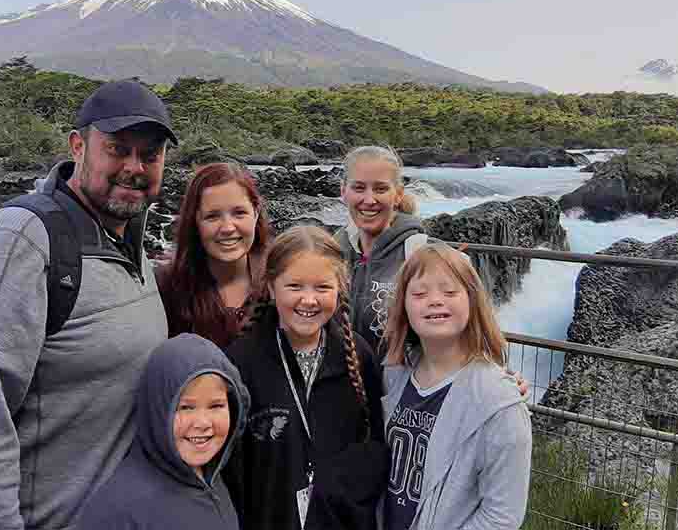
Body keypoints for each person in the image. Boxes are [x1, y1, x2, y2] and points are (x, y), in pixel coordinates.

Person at [0, 80, 177, 530]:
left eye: (150, 155)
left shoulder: (126, 238)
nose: (134, 167)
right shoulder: (16, 244)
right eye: (117, 149)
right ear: (78, 146)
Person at [225, 226, 389, 530]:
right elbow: (233, 469)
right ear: (272, 289)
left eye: (322, 287)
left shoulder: (359, 355)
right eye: (295, 286)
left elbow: (377, 445)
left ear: (340, 289)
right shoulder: (242, 362)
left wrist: (343, 488)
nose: (309, 300)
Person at [380, 243, 532, 530]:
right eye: (419, 293)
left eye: (450, 292)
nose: (435, 300)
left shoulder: (500, 404)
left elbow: (502, 516)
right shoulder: (394, 374)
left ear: (473, 301)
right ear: (403, 306)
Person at [78, 334, 249, 530]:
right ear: (156, 411)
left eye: (216, 405)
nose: (202, 422)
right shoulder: (119, 508)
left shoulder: (212, 475)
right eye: (185, 407)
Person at [157, 162, 271, 347]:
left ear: (256, 214)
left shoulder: (280, 279)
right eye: (212, 216)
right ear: (195, 221)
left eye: (239, 213)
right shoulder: (168, 289)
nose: (227, 228)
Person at [335, 145, 427, 353]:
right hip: (344, 382)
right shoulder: (332, 250)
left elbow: (463, 329)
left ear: (398, 195)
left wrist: (496, 378)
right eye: (358, 188)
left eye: (380, 189)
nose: (369, 200)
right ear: (343, 192)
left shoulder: (420, 253)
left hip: (400, 382)